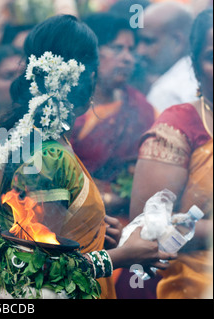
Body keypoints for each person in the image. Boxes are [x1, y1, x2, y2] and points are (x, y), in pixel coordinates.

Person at [0, 14, 175, 299]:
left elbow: (53, 236)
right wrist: (119, 257)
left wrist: (95, 229)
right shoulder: (48, 157)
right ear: (86, 77)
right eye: (94, 69)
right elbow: (35, 270)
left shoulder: (37, 142)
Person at [130, 8, 213, 299]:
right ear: (194, 64)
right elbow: (145, 230)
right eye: (212, 57)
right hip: (192, 285)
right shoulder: (179, 127)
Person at [70, 13, 156, 218]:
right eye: (117, 48)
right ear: (91, 53)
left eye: (131, 50)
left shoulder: (141, 106)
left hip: (130, 217)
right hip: (75, 220)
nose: (127, 58)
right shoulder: (67, 110)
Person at [137, 1, 197, 113]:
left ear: (177, 41)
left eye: (149, 41)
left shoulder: (166, 92)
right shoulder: (204, 71)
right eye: (139, 41)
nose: (140, 51)